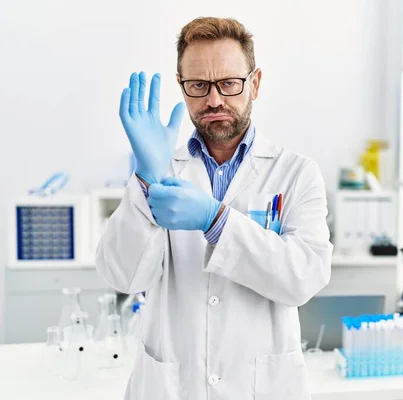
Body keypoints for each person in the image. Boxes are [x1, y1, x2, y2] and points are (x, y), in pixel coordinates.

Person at [96, 16, 333, 400]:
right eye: (199, 85)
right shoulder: (160, 169)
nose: (214, 99)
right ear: (182, 86)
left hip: (261, 387)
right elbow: (124, 278)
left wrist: (217, 221)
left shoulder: (297, 173)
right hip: (172, 386)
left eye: (228, 83)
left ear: (254, 83)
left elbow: (303, 278)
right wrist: (145, 180)